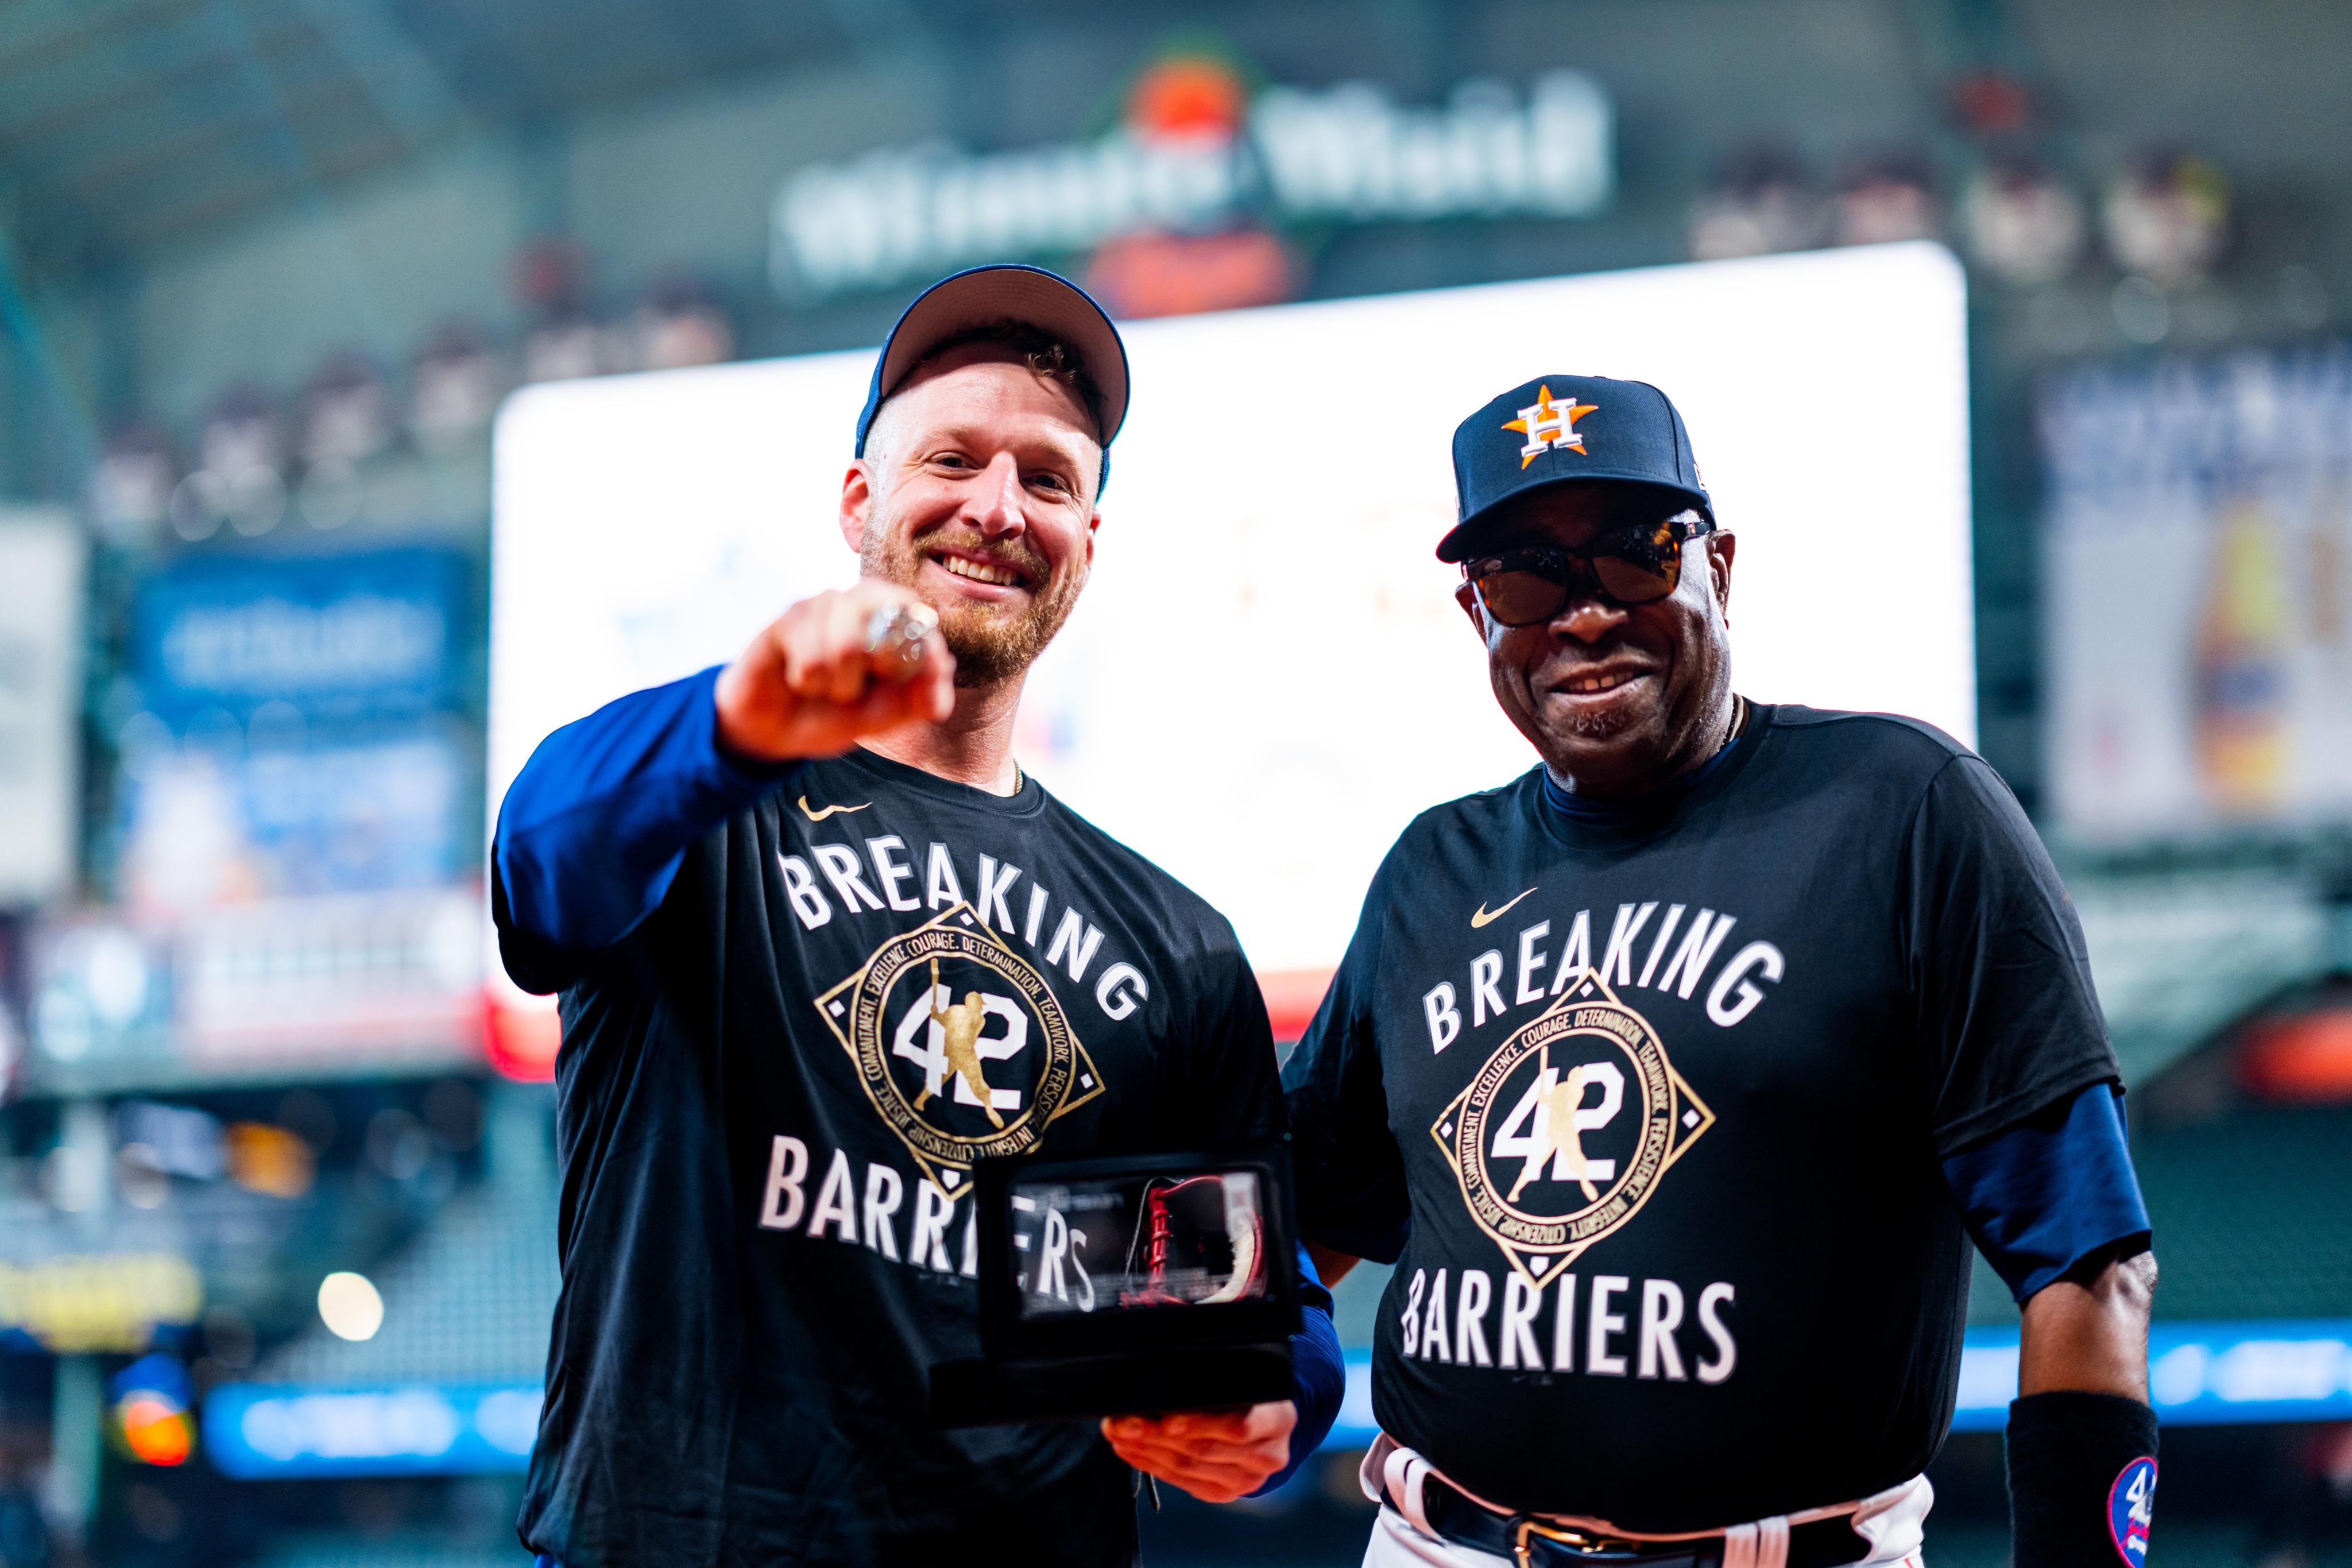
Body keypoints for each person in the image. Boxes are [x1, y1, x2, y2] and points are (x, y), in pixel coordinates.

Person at [492, 264, 1343, 1567]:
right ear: (858, 503)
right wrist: (729, 722)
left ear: (1088, 543)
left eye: (1049, 478)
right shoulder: (700, 813)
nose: (997, 509)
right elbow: (544, 857)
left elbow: (1249, 1292)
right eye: (953, 458)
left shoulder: (1176, 945)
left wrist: (1275, 1397)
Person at [1283, 375, 2159, 1568]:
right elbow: (1300, 1216)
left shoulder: (1905, 811)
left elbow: (2087, 1260)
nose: (1581, 616)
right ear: (1476, 615)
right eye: (1525, 579)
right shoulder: (1433, 867)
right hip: (1439, 1545)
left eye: (1633, 556)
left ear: (1720, 567)